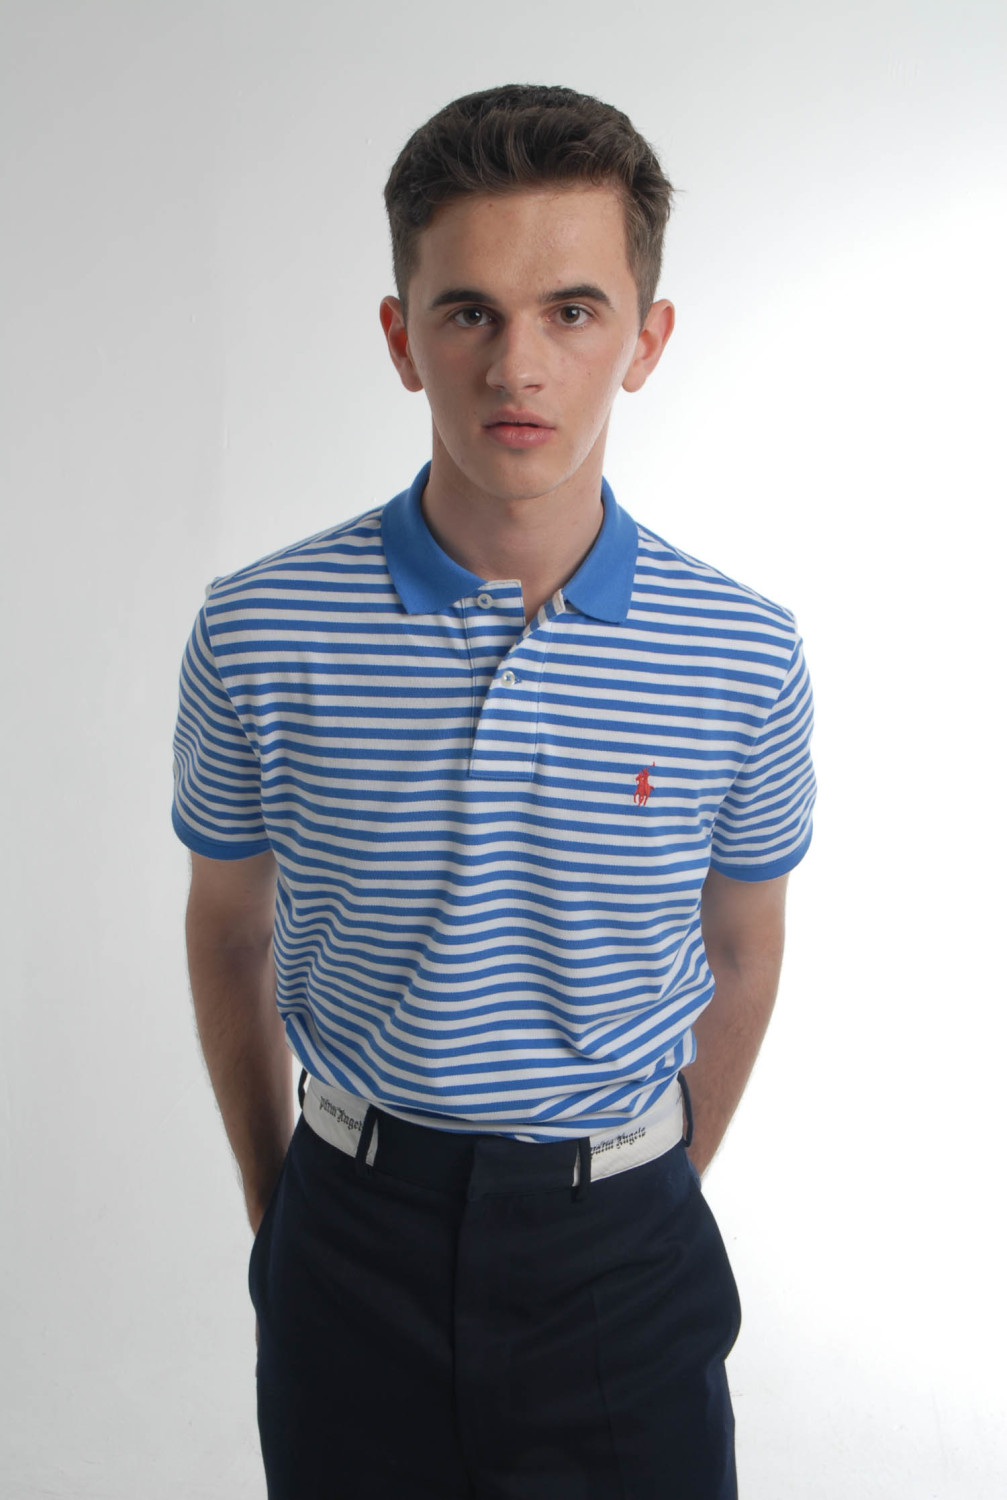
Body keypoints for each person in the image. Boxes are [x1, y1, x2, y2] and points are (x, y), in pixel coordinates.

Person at [173, 82, 816, 1500]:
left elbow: (743, 946)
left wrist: (650, 1181)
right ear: (402, 337)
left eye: (573, 311)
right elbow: (227, 924)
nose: (518, 365)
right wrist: (283, 1208)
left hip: (627, 1259)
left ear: (646, 340)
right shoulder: (261, 628)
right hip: (350, 1240)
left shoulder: (744, 652)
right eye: (469, 312)